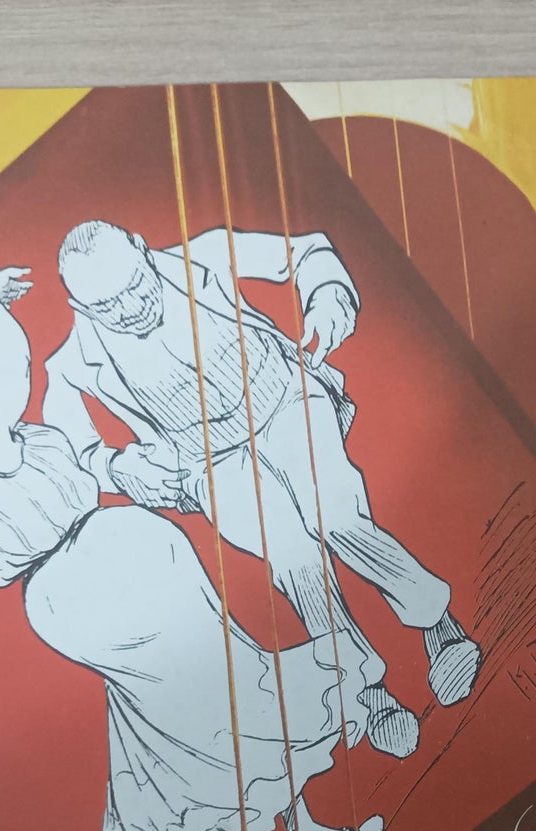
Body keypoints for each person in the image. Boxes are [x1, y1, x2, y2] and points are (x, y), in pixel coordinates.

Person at [0, 267, 381, 831]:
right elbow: (6, 367)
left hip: (54, 606)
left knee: (179, 727)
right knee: (229, 690)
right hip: (111, 561)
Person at [43, 220, 483, 762]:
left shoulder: (204, 256)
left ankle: (438, 625)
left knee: (337, 518)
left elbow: (308, 252)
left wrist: (328, 295)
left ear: (141, 249)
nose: (132, 307)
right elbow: (74, 447)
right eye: (110, 306)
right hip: (209, 462)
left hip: (284, 401)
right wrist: (116, 467)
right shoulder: (70, 365)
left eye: (137, 284)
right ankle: (367, 690)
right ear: (80, 306)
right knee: (294, 559)